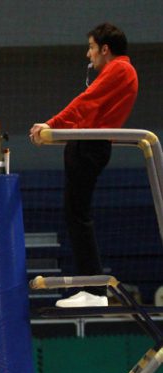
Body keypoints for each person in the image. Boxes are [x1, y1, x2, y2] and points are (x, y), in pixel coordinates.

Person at [29, 23, 138, 308]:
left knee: (78, 215)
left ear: (105, 49)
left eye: (91, 47)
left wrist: (51, 124)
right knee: (75, 214)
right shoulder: (117, 71)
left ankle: (94, 290)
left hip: (90, 146)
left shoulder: (120, 69)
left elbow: (86, 102)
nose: (88, 54)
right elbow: (89, 107)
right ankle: (92, 287)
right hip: (85, 144)